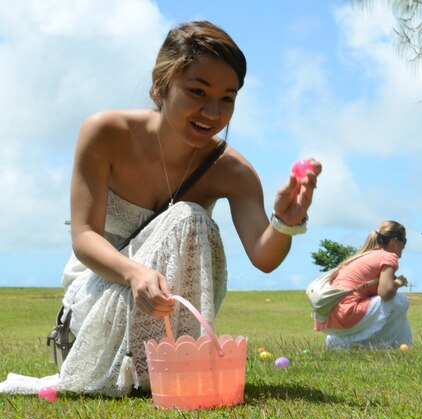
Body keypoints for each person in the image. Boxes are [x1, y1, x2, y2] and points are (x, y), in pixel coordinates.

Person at [1, 21, 320, 397]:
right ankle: (147, 370)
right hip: (91, 324)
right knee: (188, 216)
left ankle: (170, 363)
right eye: (197, 91)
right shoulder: (106, 133)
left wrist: (286, 221)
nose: (212, 112)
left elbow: (264, 257)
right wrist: (135, 274)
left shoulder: (233, 171)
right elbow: (84, 237)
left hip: (167, 330)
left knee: (191, 218)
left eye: (227, 99)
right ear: (160, 88)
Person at [315, 221, 413, 350]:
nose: (404, 246)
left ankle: (399, 346)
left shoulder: (365, 256)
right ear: (395, 241)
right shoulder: (388, 256)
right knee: (400, 301)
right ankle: (361, 344)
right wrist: (397, 283)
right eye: (404, 241)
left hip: (329, 318)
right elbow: (385, 293)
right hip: (346, 315)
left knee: (395, 306)